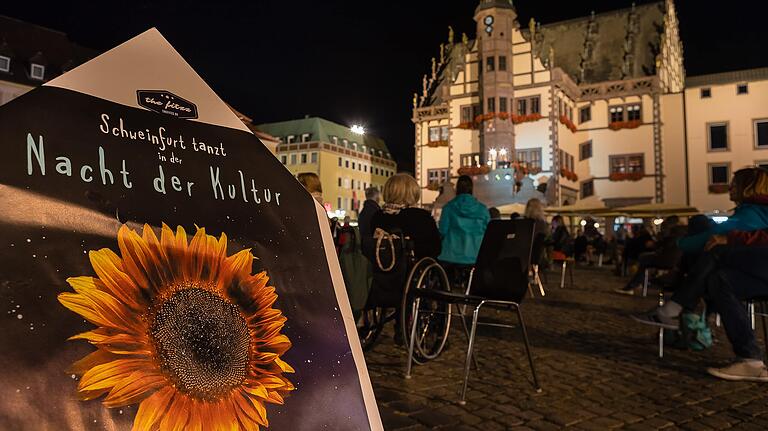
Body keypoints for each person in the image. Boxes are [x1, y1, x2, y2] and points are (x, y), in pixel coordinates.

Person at [367, 174, 441, 343]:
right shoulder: (420, 217)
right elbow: (435, 249)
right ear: (412, 192)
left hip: (379, 277)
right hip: (409, 278)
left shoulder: (377, 217)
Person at [615, 216, 686, 295]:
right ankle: (639, 282)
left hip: (668, 259)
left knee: (643, 259)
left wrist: (656, 243)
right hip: (678, 260)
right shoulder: (683, 232)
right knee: (644, 259)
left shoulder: (674, 232)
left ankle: (634, 285)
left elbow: (665, 244)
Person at [437, 175, 490, 266]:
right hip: (475, 255)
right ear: (471, 189)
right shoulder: (482, 209)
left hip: (450, 256)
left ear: (457, 189)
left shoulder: (448, 208)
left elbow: (443, 231)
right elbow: (489, 232)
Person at [358, 187, 381, 259]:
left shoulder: (363, 211)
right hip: (374, 246)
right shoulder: (376, 212)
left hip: (364, 245)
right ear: (376, 196)